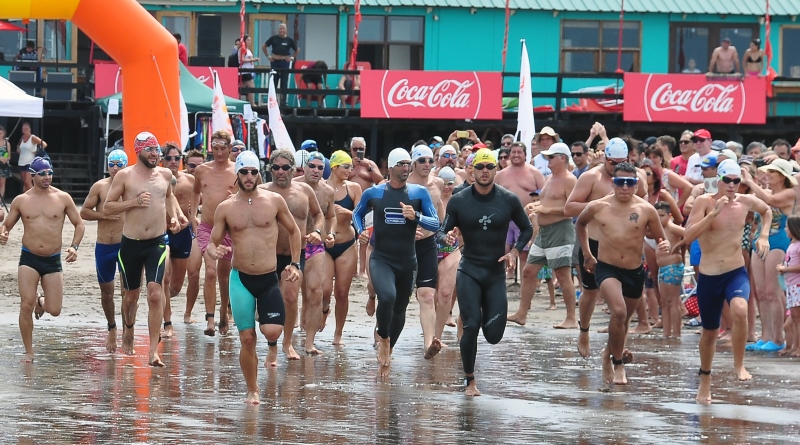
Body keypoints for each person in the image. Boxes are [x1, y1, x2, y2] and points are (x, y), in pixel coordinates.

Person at [208, 150, 302, 404]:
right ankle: (252, 389)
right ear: (237, 175)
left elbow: (294, 231)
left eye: (252, 172)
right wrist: (213, 250)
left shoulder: (273, 201)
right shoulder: (225, 207)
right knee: (247, 338)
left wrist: (295, 263)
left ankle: (267, 327)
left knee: (272, 331)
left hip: (268, 277)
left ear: (259, 173)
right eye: (244, 172)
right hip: (241, 280)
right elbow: (211, 241)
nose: (249, 177)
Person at [438, 149, 532, 396]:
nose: (484, 171)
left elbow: (527, 229)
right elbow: (441, 231)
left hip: (495, 274)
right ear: (472, 170)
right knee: (471, 325)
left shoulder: (508, 199)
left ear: (495, 170)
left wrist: (514, 253)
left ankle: (476, 323)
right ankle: (470, 380)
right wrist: (446, 236)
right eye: (480, 167)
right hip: (469, 270)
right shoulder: (460, 200)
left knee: (493, 335)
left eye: (489, 167)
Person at [676, 159, 770, 403]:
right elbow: (688, 235)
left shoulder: (746, 202)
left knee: (740, 310)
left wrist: (764, 236)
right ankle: (705, 379)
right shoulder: (704, 202)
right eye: (727, 180)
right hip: (708, 276)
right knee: (709, 333)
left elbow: (767, 210)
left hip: (734, 271)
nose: (731, 185)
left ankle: (739, 365)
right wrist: (712, 215)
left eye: (736, 181)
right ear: (718, 179)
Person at [577, 162, 669, 385]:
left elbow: (660, 236)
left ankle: (607, 355)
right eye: (620, 182)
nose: (625, 188)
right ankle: (618, 364)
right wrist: (588, 254)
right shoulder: (599, 206)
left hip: (634, 271)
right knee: (618, 312)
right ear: (613, 183)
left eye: (630, 183)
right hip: (607, 268)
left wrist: (664, 245)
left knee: (624, 321)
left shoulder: (646, 209)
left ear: (637, 185)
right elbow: (580, 225)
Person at [352, 148, 440, 377]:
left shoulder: (419, 194)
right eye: (400, 164)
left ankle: (388, 350)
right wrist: (361, 232)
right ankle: (383, 336)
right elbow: (357, 214)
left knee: (400, 308)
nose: (405, 168)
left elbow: (436, 224)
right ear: (390, 168)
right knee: (388, 297)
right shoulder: (375, 192)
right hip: (381, 258)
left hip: (408, 261)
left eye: (407, 164)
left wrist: (416, 217)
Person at [104, 132, 186, 366]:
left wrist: (175, 216)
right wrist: (134, 202)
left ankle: (153, 351)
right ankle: (128, 328)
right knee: (130, 298)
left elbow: (169, 197)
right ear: (138, 151)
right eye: (149, 150)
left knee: (155, 293)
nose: (154, 154)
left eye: (156, 150)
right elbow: (108, 207)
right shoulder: (124, 176)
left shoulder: (165, 174)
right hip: (131, 243)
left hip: (157, 243)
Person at [565, 137, 647, 358]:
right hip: (593, 242)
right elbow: (569, 207)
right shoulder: (591, 177)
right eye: (612, 163)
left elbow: (644, 206)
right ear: (605, 159)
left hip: (624, 245)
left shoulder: (635, 178)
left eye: (621, 162)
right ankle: (584, 330)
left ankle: (618, 347)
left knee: (625, 305)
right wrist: (601, 206)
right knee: (590, 292)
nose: (615, 168)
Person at [0, 157, 84, 363]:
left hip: (53, 259)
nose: (47, 177)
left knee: (54, 310)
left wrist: (74, 247)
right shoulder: (22, 200)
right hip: (28, 258)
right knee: (25, 305)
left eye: (50, 173)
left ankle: (41, 301)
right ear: (32, 175)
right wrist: (3, 234)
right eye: (43, 174)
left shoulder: (62, 198)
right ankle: (29, 352)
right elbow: (7, 225)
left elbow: (79, 224)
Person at [260, 149, 324, 358]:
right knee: (265, 299)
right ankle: (269, 341)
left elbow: (319, 215)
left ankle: (287, 343)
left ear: (293, 169)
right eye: (276, 167)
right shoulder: (261, 190)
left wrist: (317, 231)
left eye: (285, 167)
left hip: (295, 255)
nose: (281, 172)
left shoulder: (304, 191)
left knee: (290, 296)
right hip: (267, 254)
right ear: (270, 169)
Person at [509, 143, 578, 328]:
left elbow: (572, 209)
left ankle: (571, 317)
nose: (548, 159)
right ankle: (522, 313)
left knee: (562, 274)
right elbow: (546, 202)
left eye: (551, 157)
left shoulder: (569, 180)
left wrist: (545, 209)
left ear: (562, 158)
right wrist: (536, 207)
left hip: (560, 230)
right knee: (529, 271)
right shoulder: (549, 177)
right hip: (544, 231)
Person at [743, 158, 796, 352]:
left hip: (778, 242)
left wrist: (750, 182)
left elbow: (771, 201)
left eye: (772, 172)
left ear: (782, 176)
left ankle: (778, 337)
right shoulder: (766, 191)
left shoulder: (789, 194)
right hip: (760, 241)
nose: (768, 175)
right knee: (761, 292)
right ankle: (765, 336)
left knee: (773, 292)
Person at [191, 130, 238, 337]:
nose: (219, 153)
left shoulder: (238, 169)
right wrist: (193, 215)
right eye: (215, 148)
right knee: (210, 271)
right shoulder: (202, 170)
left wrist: (237, 196)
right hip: (208, 227)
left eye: (223, 148)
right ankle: (209, 318)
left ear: (230, 148)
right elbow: (195, 192)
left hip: (228, 228)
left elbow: (255, 190)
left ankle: (223, 311)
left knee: (224, 275)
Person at [80, 149, 127, 352]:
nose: (115, 168)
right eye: (112, 164)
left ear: (126, 166)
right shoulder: (100, 187)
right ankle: (112, 328)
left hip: (126, 244)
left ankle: (128, 329)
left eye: (119, 164)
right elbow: (84, 212)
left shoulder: (130, 187)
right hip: (104, 246)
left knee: (128, 291)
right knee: (107, 293)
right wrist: (104, 216)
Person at [293, 151, 336, 353]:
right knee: (290, 293)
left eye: (320, 167)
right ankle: (285, 340)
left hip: (315, 245)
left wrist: (331, 234)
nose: (316, 170)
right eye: (312, 166)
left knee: (315, 291)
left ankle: (309, 343)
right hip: (292, 245)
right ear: (305, 166)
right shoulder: (293, 186)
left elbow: (330, 216)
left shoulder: (327, 192)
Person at [408, 145, 446, 359]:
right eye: (422, 160)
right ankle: (382, 333)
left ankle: (428, 343)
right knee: (398, 296)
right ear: (413, 162)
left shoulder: (437, 184)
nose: (427, 165)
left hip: (428, 245)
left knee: (428, 295)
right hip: (404, 245)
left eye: (430, 161)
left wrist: (444, 233)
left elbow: (440, 218)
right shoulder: (403, 184)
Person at [323, 150, 362, 345]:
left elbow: (362, 216)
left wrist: (348, 211)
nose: (350, 170)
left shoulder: (353, 188)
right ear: (335, 167)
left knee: (341, 292)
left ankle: (338, 334)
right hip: (325, 244)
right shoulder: (321, 187)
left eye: (351, 167)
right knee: (324, 289)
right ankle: (323, 308)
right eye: (346, 166)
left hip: (346, 244)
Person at [160, 143, 196, 338]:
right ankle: (167, 321)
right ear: (162, 160)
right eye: (169, 158)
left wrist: (190, 219)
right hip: (161, 233)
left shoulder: (189, 180)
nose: (173, 162)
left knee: (175, 287)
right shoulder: (155, 178)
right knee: (163, 279)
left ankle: (164, 303)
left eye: (177, 158)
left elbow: (200, 203)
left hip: (182, 234)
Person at [495, 141, 545, 272]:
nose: (516, 155)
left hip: (526, 219)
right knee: (501, 252)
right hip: (504, 219)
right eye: (513, 152)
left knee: (524, 254)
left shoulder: (534, 173)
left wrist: (534, 208)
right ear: (509, 154)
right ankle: (501, 285)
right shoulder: (500, 175)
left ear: (525, 155)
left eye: (519, 152)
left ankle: (524, 289)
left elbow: (545, 196)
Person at [347, 137, 383, 278]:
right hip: (349, 204)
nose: (358, 152)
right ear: (350, 150)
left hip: (367, 205)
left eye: (360, 149)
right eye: (355, 149)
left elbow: (381, 181)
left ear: (365, 150)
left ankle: (362, 270)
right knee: (348, 237)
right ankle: (352, 269)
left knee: (364, 238)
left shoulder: (370, 164)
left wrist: (369, 167)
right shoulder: (346, 164)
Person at [433, 166, 461, 341]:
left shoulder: (458, 200)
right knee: (433, 293)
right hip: (430, 248)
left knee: (446, 292)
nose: (447, 187)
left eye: (451, 183)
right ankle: (436, 324)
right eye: (444, 183)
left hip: (451, 248)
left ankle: (439, 333)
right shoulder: (432, 198)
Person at [654, 201, 685, 338]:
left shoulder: (672, 228)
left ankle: (676, 333)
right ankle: (666, 333)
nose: (659, 218)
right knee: (664, 302)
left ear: (669, 216)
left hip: (673, 267)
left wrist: (679, 245)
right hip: (663, 267)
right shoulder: (658, 229)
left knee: (673, 301)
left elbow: (690, 234)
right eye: (657, 216)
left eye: (662, 215)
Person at [181, 149, 205, 322]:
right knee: (175, 280)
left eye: (200, 165)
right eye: (192, 165)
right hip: (181, 229)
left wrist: (199, 210)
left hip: (201, 229)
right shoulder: (179, 179)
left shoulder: (209, 179)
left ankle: (188, 313)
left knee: (194, 274)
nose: (195, 169)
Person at [777, 215, 800, 357]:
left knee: (798, 318)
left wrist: (785, 269)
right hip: (791, 285)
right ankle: (794, 346)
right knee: (795, 318)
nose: (785, 229)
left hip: (797, 285)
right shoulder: (791, 245)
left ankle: (798, 347)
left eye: (787, 226)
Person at [263, 23, 299, 91]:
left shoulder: (289, 40)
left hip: (284, 63)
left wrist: (292, 57)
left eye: (283, 29)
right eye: (280, 29)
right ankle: (273, 100)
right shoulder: (273, 38)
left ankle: (283, 100)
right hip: (275, 62)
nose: (282, 30)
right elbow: (264, 46)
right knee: (274, 82)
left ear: (286, 30)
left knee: (284, 83)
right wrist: (268, 56)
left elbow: (297, 50)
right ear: (278, 30)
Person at [17, 122, 47, 191]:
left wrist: (37, 151)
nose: (25, 129)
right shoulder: (22, 138)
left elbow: (44, 144)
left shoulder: (33, 137)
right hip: (22, 161)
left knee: (28, 181)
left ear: (30, 129)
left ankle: (35, 196)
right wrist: (18, 150)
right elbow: (19, 147)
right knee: (24, 182)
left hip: (30, 162)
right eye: (23, 128)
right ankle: (26, 198)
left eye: (26, 128)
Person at [239, 35, 259, 107]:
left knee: (242, 86)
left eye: (250, 40)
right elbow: (242, 60)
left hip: (248, 70)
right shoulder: (242, 49)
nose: (249, 42)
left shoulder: (248, 50)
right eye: (248, 40)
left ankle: (242, 101)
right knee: (251, 86)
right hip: (245, 71)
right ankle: (252, 103)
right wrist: (252, 60)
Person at [0, 125, 11, 201]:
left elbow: (8, 154)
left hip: (4, 165)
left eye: (1, 133)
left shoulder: (7, 143)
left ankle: (0, 200)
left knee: (2, 183)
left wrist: (6, 159)